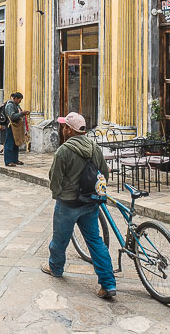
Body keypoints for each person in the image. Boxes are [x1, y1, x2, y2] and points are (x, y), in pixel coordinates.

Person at [41, 112, 117, 300]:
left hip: (68, 204)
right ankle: (108, 284)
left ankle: (55, 267)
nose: (62, 129)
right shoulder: (94, 148)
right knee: (95, 241)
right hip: (90, 202)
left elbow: (55, 179)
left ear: (69, 130)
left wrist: (58, 194)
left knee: (59, 240)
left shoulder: (63, 151)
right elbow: (104, 175)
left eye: (64, 126)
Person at [3, 92, 29, 167]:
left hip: (16, 126)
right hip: (11, 126)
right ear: (15, 98)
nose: (20, 102)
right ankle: (8, 161)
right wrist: (21, 114)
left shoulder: (16, 105)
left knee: (15, 143)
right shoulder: (10, 105)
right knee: (9, 143)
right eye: (19, 100)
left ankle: (15, 159)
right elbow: (12, 116)